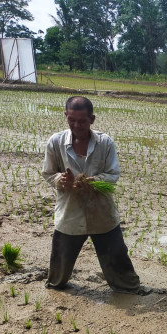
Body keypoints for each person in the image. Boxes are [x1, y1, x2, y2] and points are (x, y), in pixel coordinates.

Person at [41, 96, 142, 293]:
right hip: (70, 212)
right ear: (66, 116)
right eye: (71, 120)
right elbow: (48, 173)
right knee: (59, 269)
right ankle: (56, 284)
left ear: (92, 119)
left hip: (101, 211)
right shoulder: (56, 142)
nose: (76, 125)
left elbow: (113, 174)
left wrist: (93, 182)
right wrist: (61, 180)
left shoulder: (105, 143)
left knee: (117, 258)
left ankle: (128, 288)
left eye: (82, 121)